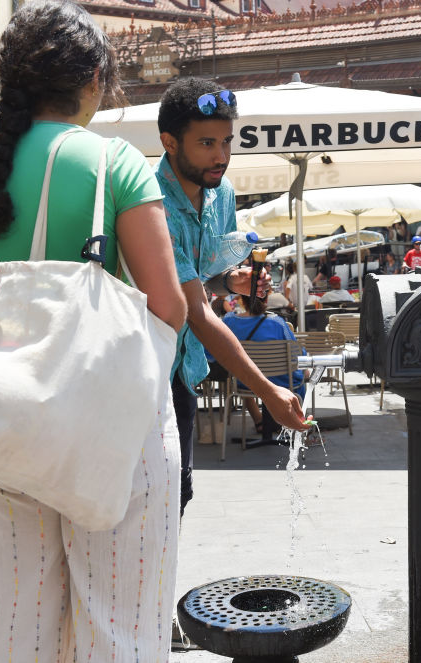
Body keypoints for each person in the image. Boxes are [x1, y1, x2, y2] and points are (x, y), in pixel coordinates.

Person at [0, 3, 189, 659]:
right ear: (93, 78)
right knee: (120, 626)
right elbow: (168, 306)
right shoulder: (112, 162)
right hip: (114, 421)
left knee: (18, 623)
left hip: (9, 415)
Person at [155, 77, 308, 517]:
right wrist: (268, 391)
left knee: (178, 493)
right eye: (206, 143)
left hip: (185, 368)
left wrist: (231, 282)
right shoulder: (152, 204)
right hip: (144, 369)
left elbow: (205, 278)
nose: (221, 155)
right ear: (169, 142)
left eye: (226, 141)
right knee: (151, 499)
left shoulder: (221, 193)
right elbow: (196, 312)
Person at [222, 291, 306, 442]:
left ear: (242, 300)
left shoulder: (229, 321)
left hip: (246, 382)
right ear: (266, 299)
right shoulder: (277, 322)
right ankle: (294, 425)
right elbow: (297, 354)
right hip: (281, 382)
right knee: (302, 376)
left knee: (244, 375)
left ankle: (261, 422)